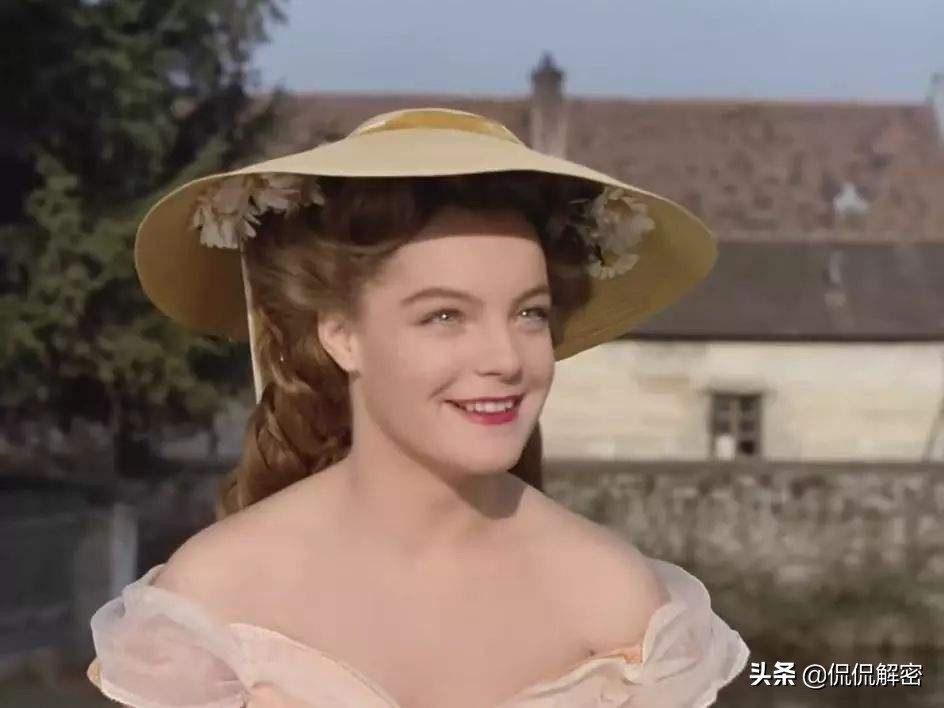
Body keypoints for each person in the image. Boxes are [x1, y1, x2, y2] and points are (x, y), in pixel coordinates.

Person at [85, 108, 750, 707]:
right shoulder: (214, 595)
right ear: (341, 334)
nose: (506, 359)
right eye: (444, 316)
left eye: (529, 314)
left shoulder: (616, 601)